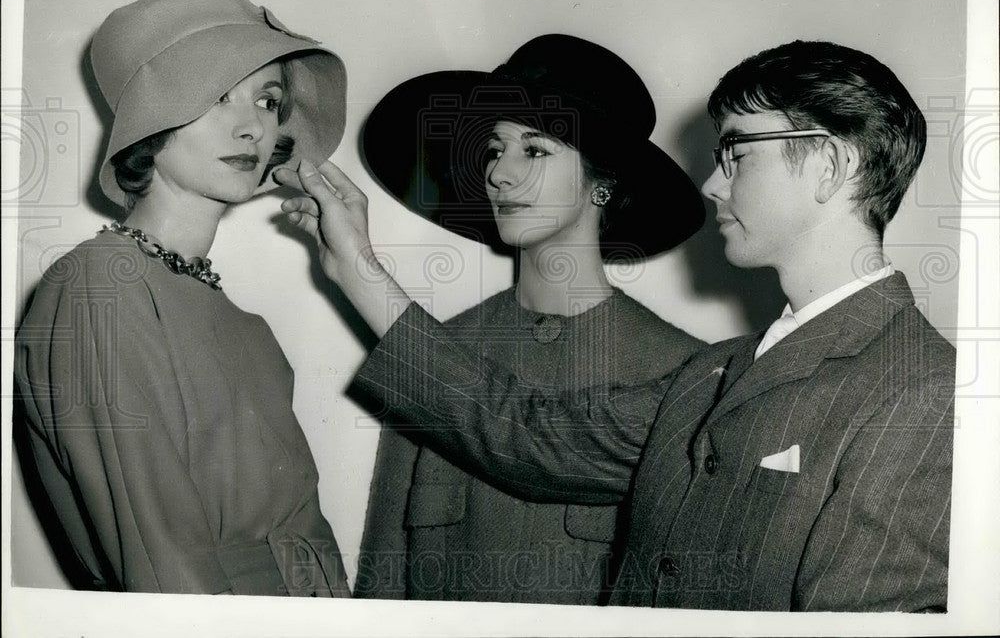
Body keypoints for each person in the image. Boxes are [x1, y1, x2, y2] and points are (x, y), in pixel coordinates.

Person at [279, 39, 954, 611]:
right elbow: (517, 431)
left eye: (739, 154)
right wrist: (357, 266)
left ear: (831, 165)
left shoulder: (923, 391)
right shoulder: (712, 374)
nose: (714, 186)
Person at [15, 0, 351, 597]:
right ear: (150, 122)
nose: (253, 126)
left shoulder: (248, 326)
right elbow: (165, 568)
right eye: (217, 96)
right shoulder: (101, 288)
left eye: (268, 100)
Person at [351, 34, 706, 603]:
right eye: (495, 150)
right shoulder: (429, 355)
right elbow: (384, 575)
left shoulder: (679, 371)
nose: (500, 174)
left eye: (535, 151)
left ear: (604, 184)